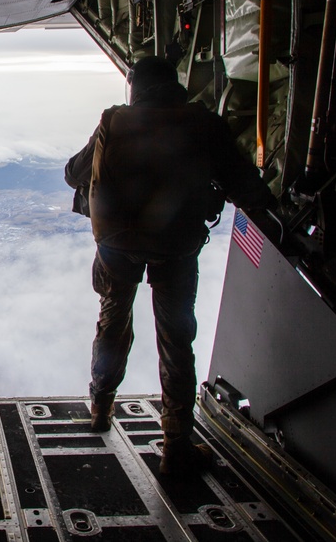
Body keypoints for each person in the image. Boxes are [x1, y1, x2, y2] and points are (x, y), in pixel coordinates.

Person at [65, 56, 274, 477]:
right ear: (172, 82)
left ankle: (100, 410)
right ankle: (176, 444)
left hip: (117, 246)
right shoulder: (203, 123)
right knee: (176, 341)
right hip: (176, 248)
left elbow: (74, 173)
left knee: (112, 325)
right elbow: (244, 185)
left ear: (135, 87)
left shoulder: (114, 120)